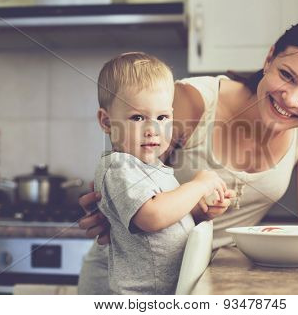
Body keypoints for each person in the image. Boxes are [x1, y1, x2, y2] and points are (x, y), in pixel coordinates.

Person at [78, 21, 298, 294]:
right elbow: (125, 172)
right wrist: (106, 211)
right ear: (269, 59)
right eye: (287, 75)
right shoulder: (191, 103)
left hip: (197, 279)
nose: (292, 99)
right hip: (130, 284)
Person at [89, 52, 230, 294]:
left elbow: (169, 220)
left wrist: (201, 210)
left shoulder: (155, 169)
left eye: (162, 117)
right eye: (137, 117)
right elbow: (152, 217)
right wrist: (198, 186)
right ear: (106, 122)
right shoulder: (119, 167)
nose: (153, 129)